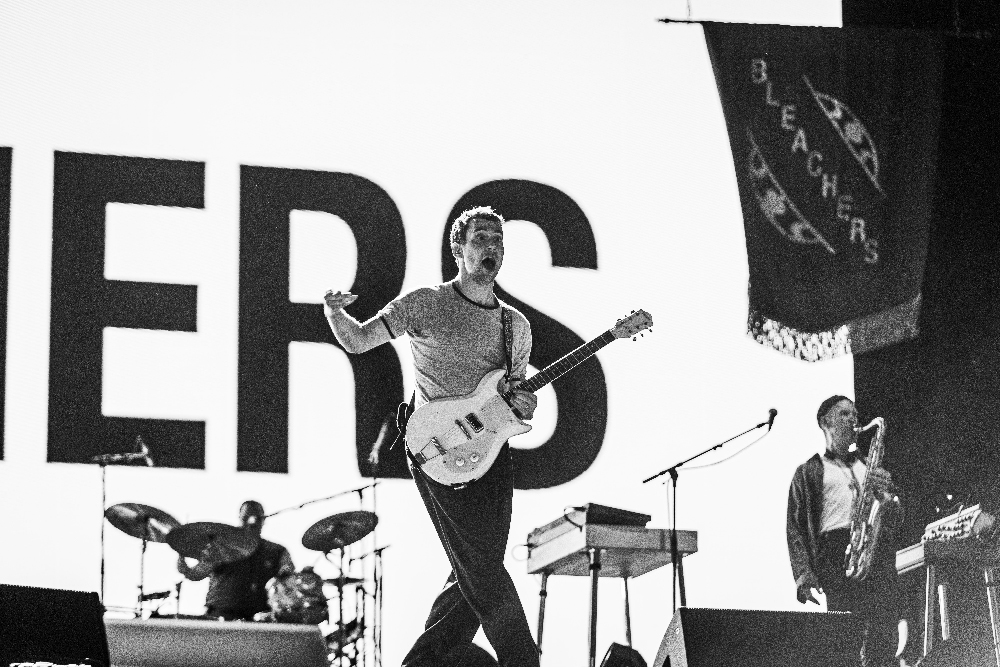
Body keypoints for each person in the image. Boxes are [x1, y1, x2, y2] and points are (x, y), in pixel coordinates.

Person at [324, 205, 540, 667]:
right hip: (435, 449)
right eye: (481, 238)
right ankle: (524, 659)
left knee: (474, 564)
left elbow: (516, 396)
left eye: (499, 240)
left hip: (491, 453)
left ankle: (422, 663)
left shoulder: (514, 325)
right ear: (458, 249)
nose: (492, 248)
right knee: (481, 565)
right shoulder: (427, 303)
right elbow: (359, 340)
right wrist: (333, 312)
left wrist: (525, 405)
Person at [787, 395, 902, 667]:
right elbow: (795, 527)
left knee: (885, 635)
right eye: (844, 414)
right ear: (824, 422)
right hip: (837, 554)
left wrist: (887, 495)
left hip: (876, 552)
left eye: (854, 414)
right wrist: (803, 573)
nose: (853, 420)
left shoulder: (869, 465)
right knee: (845, 638)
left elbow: (896, 518)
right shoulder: (808, 472)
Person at [176, 500, 294, 621]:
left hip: (261, 618)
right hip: (220, 615)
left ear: (264, 520)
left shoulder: (277, 551)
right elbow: (196, 574)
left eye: (256, 519)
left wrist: (290, 575)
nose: (251, 522)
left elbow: (290, 578)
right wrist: (183, 561)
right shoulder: (220, 547)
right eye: (246, 518)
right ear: (239, 518)